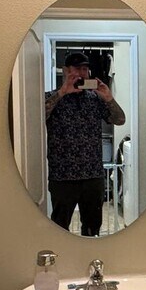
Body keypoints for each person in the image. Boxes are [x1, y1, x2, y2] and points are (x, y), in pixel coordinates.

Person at [44, 52, 126, 236]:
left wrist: (108, 98)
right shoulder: (52, 97)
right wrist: (62, 92)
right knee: (59, 228)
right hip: (62, 177)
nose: (81, 73)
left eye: (85, 69)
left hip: (93, 176)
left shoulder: (95, 99)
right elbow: (35, 117)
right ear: (66, 71)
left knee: (92, 228)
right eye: (76, 68)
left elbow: (120, 120)